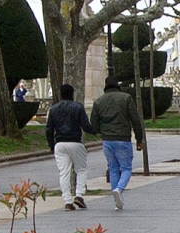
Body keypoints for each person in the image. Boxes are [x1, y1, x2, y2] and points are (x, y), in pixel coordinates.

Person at [91, 77, 145, 211]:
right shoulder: (126, 98)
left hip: (107, 139)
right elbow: (135, 120)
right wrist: (139, 139)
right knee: (126, 168)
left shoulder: (99, 102)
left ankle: (116, 200)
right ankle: (119, 189)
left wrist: (102, 131)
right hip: (123, 138)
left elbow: (94, 123)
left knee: (113, 168)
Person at [46, 83, 96, 211]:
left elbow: (48, 130)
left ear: (60, 94)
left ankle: (67, 200)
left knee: (64, 172)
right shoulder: (78, 107)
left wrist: (52, 145)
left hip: (60, 143)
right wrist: (96, 131)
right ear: (72, 94)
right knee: (81, 169)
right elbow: (85, 125)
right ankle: (79, 195)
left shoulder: (53, 109)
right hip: (75, 142)